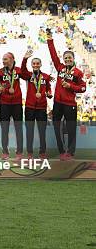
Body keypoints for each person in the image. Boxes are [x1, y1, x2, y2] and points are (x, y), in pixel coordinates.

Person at [47, 31, 86, 160]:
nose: (68, 59)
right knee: (56, 127)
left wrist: (71, 87)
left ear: (73, 59)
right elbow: (53, 55)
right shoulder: (60, 68)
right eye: (66, 58)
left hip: (70, 104)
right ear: (63, 59)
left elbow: (83, 87)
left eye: (70, 57)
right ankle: (61, 151)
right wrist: (50, 40)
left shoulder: (78, 73)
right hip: (57, 103)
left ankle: (70, 152)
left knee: (71, 129)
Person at [20, 49, 52, 159]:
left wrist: (49, 94)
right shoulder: (28, 75)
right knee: (29, 131)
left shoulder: (46, 77)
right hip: (29, 107)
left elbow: (48, 89)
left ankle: (42, 152)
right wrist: (25, 59)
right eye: (34, 64)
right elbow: (22, 70)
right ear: (31, 65)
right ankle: (29, 152)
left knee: (42, 131)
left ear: (41, 65)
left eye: (37, 63)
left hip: (42, 107)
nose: (36, 65)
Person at [0, 52, 24, 160]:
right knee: (4, 129)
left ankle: (19, 152)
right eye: (3, 59)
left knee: (18, 129)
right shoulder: (0, 72)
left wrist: (25, 59)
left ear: (12, 59)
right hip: (4, 104)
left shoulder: (19, 70)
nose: (3, 61)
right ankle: (5, 151)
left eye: (5, 59)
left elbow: (28, 76)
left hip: (17, 103)